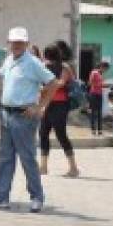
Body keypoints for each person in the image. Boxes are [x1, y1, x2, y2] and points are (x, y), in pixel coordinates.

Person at [0, 28, 61, 212]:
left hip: (24, 115)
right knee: (5, 156)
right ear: (9, 43)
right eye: (13, 42)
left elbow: (53, 83)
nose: (16, 45)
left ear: (26, 44)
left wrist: (40, 107)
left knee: (27, 157)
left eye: (20, 42)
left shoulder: (32, 63)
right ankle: (1, 196)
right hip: (6, 114)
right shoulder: (9, 60)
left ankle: (37, 196)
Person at [38, 42, 79, 179]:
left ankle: (73, 168)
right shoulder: (44, 66)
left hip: (61, 104)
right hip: (46, 103)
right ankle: (43, 166)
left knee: (61, 134)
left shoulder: (65, 67)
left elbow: (61, 83)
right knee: (43, 133)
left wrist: (46, 87)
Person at [87, 60, 108, 135]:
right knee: (93, 112)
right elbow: (90, 83)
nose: (105, 70)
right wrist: (101, 85)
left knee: (99, 112)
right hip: (93, 94)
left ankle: (99, 129)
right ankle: (93, 129)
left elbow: (100, 83)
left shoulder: (100, 74)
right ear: (102, 67)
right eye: (105, 68)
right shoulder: (94, 72)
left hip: (99, 94)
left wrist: (104, 85)